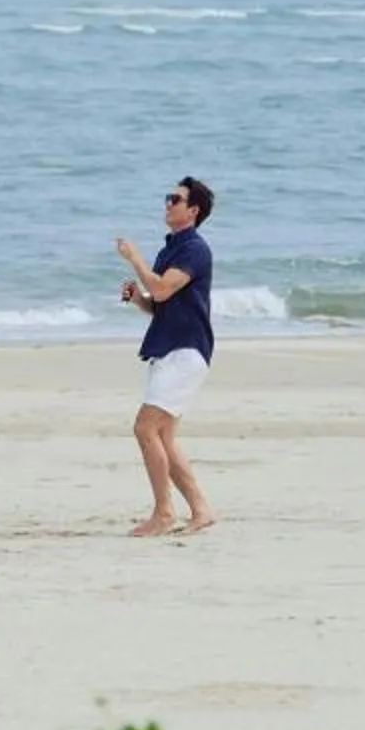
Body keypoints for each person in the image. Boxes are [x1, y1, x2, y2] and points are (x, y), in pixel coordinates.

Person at [116, 176, 218, 537]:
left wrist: (135, 260)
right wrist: (137, 299)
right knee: (164, 437)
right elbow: (160, 303)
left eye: (175, 199)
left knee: (145, 428)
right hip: (168, 347)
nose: (168, 203)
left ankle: (163, 513)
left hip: (186, 350)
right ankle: (201, 510)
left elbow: (160, 288)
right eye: (167, 198)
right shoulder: (171, 249)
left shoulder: (194, 249)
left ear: (193, 210)